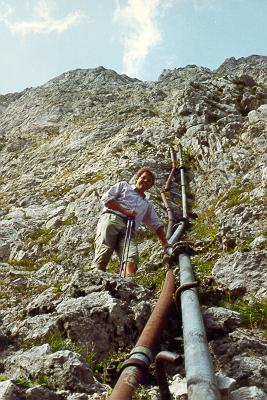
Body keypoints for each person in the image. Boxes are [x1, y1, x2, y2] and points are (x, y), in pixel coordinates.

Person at [92, 166, 171, 278]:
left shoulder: (147, 205)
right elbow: (106, 199)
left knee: (131, 256)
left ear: (150, 186)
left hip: (129, 229)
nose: (145, 181)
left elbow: (155, 224)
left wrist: (164, 242)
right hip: (112, 219)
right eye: (143, 178)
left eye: (149, 181)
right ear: (137, 178)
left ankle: (129, 282)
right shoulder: (123, 186)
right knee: (104, 249)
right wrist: (125, 211)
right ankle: (96, 278)